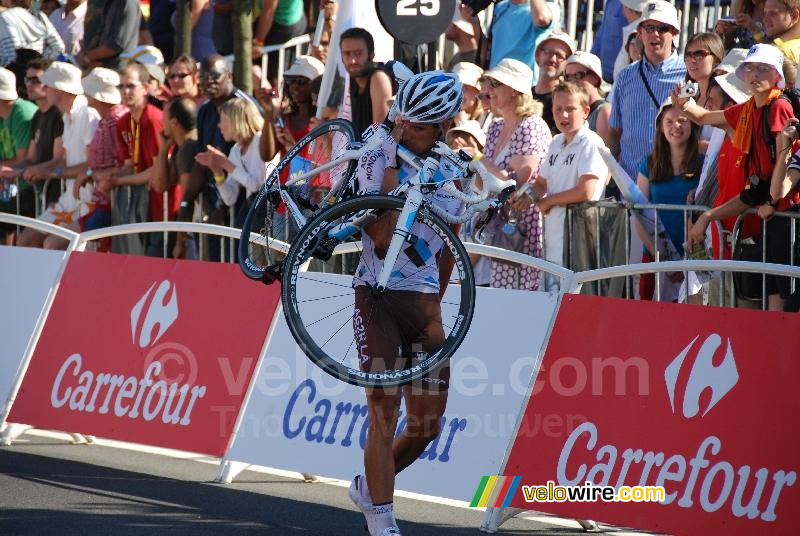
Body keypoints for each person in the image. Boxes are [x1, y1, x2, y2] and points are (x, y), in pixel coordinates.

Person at [346, 70, 463, 536]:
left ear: (441, 128)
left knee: (426, 426)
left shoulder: (454, 169)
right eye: (403, 118)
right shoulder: (378, 152)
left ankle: (369, 485)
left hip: (423, 303)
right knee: (383, 408)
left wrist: (437, 298)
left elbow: (455, 246)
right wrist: (393, 166)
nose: (404, 128)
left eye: (418, 126)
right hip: (376, 298)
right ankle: (382, 517)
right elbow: (378, 237)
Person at [681, 43, 794, 311]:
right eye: (750, 68)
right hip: (758, 215)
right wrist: (683, 103)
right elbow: (704, 116)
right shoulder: (746, 112)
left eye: (763, 68)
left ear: (777, 75)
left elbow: (782, 167)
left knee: (780, 303)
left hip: (780, 214)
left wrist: (773, 201)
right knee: (769, 300)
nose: (754, 74)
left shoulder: (778, 107)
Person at [516, 81, 608, 290]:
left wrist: (548, 201)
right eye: (558, 109)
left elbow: (586, 191)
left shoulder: (590, 142)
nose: (563, 115)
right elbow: (541, 183)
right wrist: (527, 196)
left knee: (574, 305)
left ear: (585, 111)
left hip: (579, 241)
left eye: (570, 109)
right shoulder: (556, 142)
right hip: (555, 239)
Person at [481, 58, 551, 290]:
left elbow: (515, 183)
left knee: (522, 295)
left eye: (495, 83)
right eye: (488, 83)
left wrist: (476, 159)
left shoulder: (531, 125)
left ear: (514, 90)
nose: (488, 90)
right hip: (497, 222)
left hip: (521, 225)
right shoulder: (495, 127)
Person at [18, 61, 100, 249]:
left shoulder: (88, 115)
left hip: (88, 202)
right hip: (69, 201)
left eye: (48, 85)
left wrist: (49, 173)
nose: (44, 89)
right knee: (26, 239)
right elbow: (62, 162)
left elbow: (91, 165)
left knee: (52, 244)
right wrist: (39, 169)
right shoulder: (66, 117)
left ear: (61, 90)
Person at [609, 0, 686, 193]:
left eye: (662, 28)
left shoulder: (689, 74)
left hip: (674, 185)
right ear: (640, 32)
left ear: (675, 33)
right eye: (649, 27)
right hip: (629, 186)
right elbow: (615, 132)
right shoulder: (625, 76)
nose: (655, 34)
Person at [637, 101, 703, 301]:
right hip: (654, 255)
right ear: (660, 126)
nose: (676, 126)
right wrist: (660, 255)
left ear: (692, 125)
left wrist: (683, 263)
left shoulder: (703, 163)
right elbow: (638, 214)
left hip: (693, 256)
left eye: (682, 120)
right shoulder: (648, 163)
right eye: (669, 121)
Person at [99, 61, 165, 255]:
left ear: (145, 88)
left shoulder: (154, 119)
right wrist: (109, 176)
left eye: (130, 86)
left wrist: (118, 181)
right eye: (121, 86)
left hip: (161, 204)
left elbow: (156, 169)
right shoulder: (123, 122)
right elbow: (129, 165)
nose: (125, 91)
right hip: (141, 204)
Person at [73, 66, 126, 236]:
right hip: (105, 201)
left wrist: (91, 174)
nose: (85, 94)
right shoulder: (109, 119)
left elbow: (123, 163)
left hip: (110, 203)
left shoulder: (114, 121)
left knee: (59, 242)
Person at [196, 97, 264, 228]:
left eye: (222, 120)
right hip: (255, 216)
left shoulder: (259, 141)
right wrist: (217, 171)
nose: (219, 125)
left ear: (235, 121)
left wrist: (225, 163)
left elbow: (256, 185)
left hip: (268, 216)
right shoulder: (236, 150)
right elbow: (230, 198)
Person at [152, 97, 198, 259]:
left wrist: (180, 243)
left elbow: (186, 200)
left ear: (174, 123)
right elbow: (160, 185)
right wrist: (164, 149)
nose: (161, 121)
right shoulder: (181, 148)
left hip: (197, 232)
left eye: (164, 117)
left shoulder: (189, 148)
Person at [339, 27, 392, 139]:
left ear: (371, 54)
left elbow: (380, 132)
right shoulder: (355, 75)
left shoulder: (378, 78)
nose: (352, 60)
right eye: (347, 54)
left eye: (358, 53)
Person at [564, 52, 612, 147]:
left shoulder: (604, 111)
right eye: (568, 77)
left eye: (579, 75)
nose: (572, 81)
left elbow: (605, 158)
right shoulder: (569, 111)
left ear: (596, 78)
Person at [0, 0, 64, 67]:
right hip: (38, 73)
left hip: (15, 72)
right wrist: (41, 64)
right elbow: (59, 47)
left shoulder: (5, 17)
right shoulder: (39, 16)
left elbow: (11, 54)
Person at [533, 31, 574, 134]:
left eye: (559, 56)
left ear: (567, 64)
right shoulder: (525, 95)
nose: (552, 59)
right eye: (548, 52)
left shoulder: (566, 100)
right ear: (538, 55)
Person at [80, 0, 139, 69]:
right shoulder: (111, 2)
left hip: (117, 70)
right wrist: (86, 56)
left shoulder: (128, 2)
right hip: (99, 66)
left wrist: (87, 56)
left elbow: (116, 45)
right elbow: (101, 33)